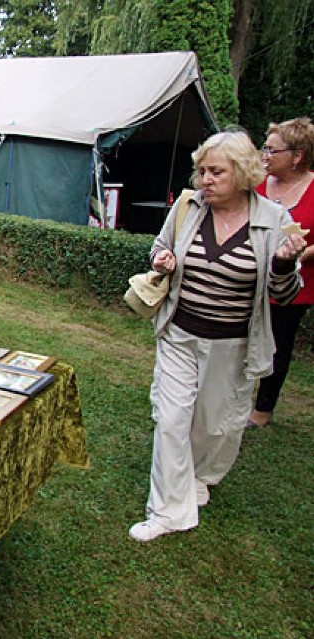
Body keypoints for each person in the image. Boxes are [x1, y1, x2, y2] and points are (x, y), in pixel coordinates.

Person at [129, 130, 306, 543]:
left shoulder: (273, 221)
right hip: (180, 333)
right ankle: (167, 511)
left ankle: (200, 476)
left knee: (214, 426)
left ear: (242, 173)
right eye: (202, 171)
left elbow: (285, 292)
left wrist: (283, 265)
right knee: (171, 419)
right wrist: (162, 258)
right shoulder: (187, 207)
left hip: (233, 345)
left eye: (216, 172)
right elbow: (158, 247)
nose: (205, 179)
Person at [248, 117, 314, 427]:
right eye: (265, 148)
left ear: (297, 156)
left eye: (273, 150)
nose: (265, 155)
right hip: (251, 278)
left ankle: (263, 408)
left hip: (295, 285)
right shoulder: (257, 181)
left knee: (278, 345)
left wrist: (293, 257)